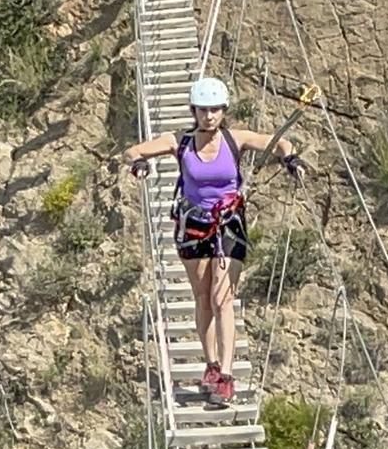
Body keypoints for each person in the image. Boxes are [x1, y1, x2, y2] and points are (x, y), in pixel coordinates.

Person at [124, 77, 300, 405]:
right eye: (203, 110)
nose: (209, 116)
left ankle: (227, 375)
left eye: (215, 110)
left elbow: (279, 143)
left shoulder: (236, 139)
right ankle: (212, 365)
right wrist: (138, 162)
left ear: (223, 111)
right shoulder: (181, 141)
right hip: (192, 223)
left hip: (229, 222)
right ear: (194, 111)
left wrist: (290, 158)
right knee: (203, 296)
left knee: (223, 298)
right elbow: (133, 149)